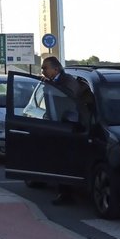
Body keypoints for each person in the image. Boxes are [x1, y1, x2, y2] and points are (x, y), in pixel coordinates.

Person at [40, 56, 93, 205]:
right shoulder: (53, 81)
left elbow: (69, 97)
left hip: (70, 125)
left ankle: (67, 193)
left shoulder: (68, 80)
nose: (43, 71)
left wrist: (50, 85)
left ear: (55, 69)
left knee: (66, 160)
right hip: (58, 124)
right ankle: (62, 191)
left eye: (45, 68)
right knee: (58, 160)